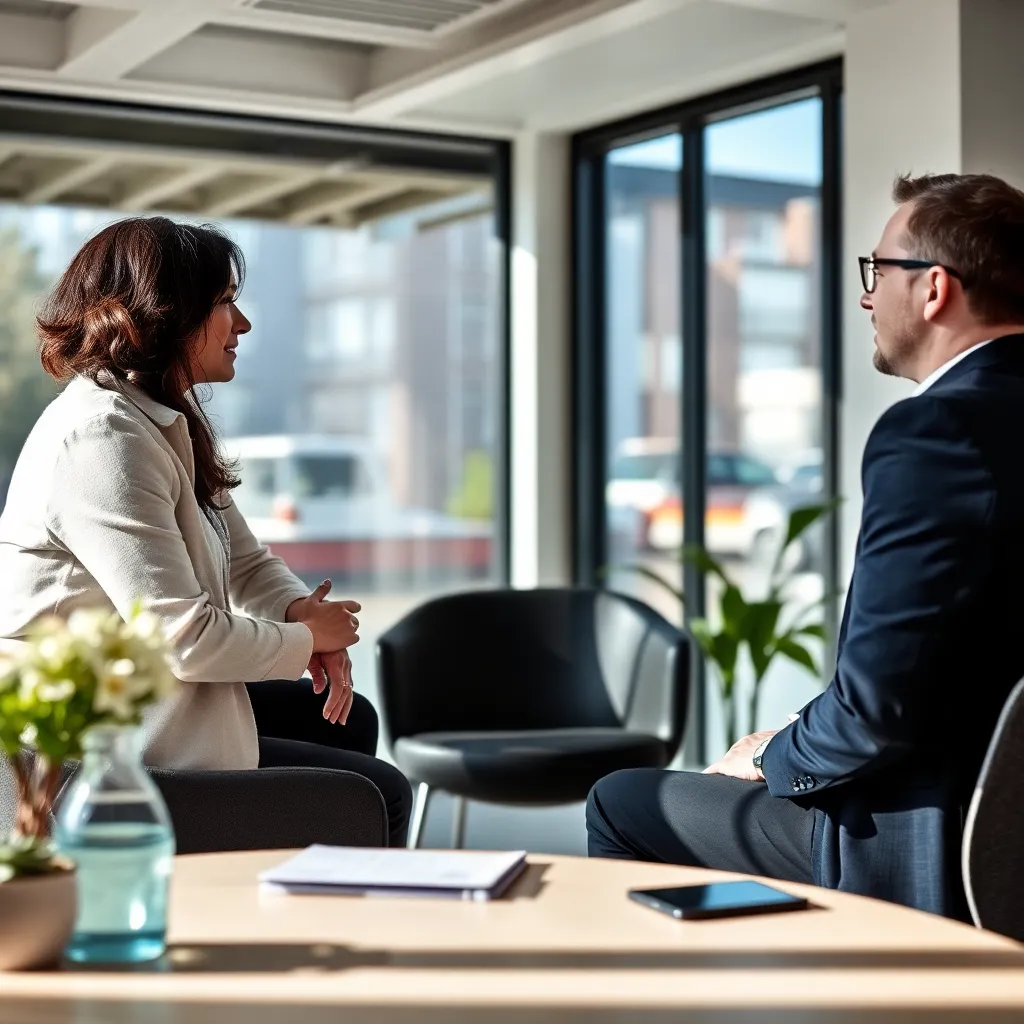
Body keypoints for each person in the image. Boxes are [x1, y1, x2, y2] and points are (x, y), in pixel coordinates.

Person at [587, 172, 1024, 918]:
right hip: (1004, 814)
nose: (865, 296)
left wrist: (769, 754)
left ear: (933, 289)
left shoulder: (936, 433)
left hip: (930, 834)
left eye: (878, 270)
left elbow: (874, 717)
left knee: (623, 801)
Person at [0, 216, 412, 846]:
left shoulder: (157, 419)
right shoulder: (102, 440)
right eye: (223, 304)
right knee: (379, 793)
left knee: (349, 724)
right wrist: (306, 639)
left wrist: (298, 608)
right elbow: (183, 639)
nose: (241, 324)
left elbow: (242, 558)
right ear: (163, 314)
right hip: (91, 762)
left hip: (157, 710)